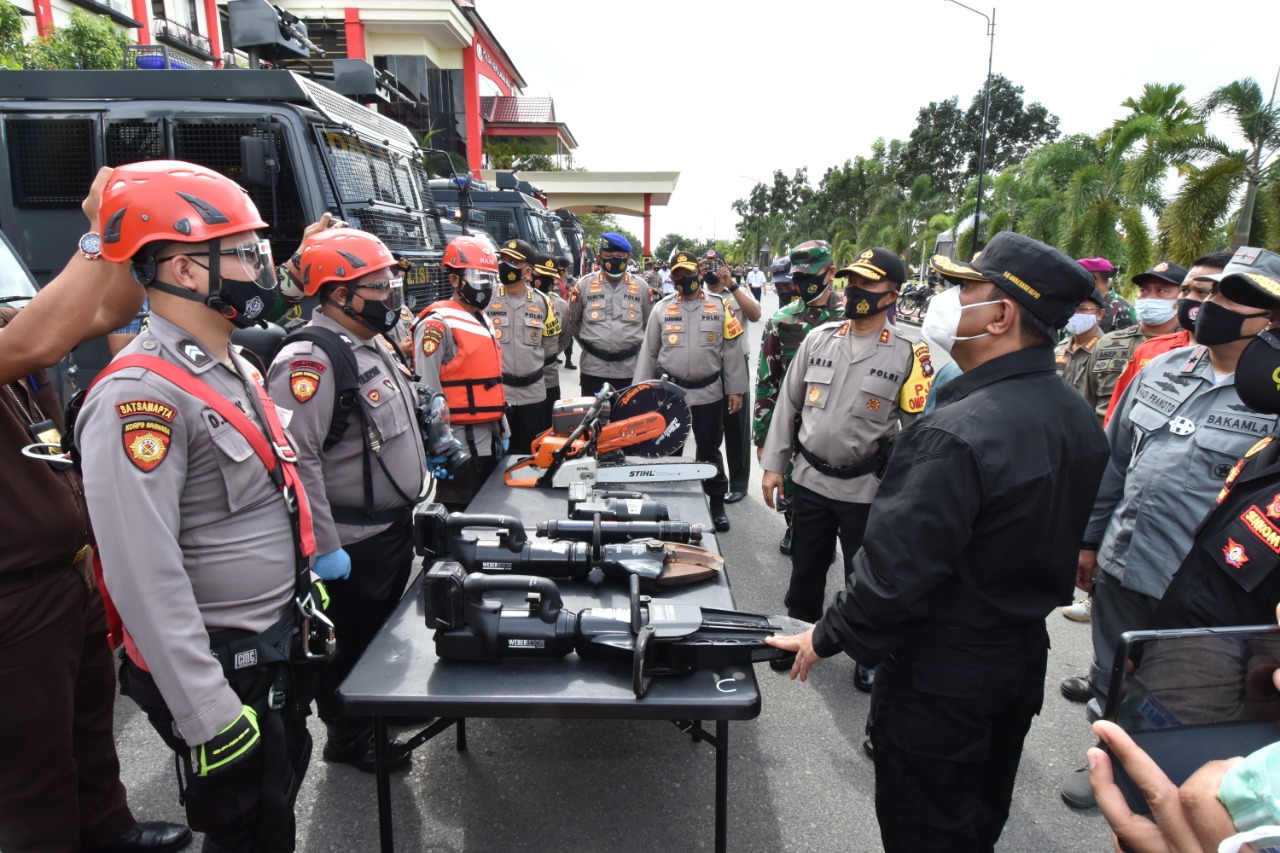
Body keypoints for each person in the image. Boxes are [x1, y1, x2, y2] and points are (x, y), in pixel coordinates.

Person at [767, 232, 1108, 852]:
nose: (949, 302)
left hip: (943, 677)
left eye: (964, 289)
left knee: (924, 827)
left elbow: (894, 575)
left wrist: (823, 636)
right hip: (1017, 658)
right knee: (977, 818)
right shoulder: (1073, 413)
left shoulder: (957, 431)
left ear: (1001, 315)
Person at [79, 160, 322, 852]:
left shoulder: (233, 365)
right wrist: (208, 712)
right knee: (249, 830)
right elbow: (142, 573)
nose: (264, 270)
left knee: (273, 810)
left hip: (269, 649)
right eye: (246, 253)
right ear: (187, 270)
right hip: (223, 669)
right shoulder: (140, 398)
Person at [0, 167, 190, 853]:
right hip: (11, 593)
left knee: (87, 732)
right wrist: (97, 233)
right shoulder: (10, 341)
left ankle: (110, 833)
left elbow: (102, 313)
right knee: (31, 772)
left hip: (60, 574)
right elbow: (35, 344)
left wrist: (128, 237)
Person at [1061, 247, 1280, 810]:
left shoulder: (1273, 400)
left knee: (1182, 697)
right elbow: (1116, 462)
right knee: (1113, 673)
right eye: (1210, 293)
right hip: (1123, 560)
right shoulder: (1161, 366)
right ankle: (1106, 759)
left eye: (1235, 299)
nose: (1210, 305)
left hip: (1202, 592)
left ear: (1272, 322)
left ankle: (1171, 786)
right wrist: (1088, 541)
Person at [266, 228, 427, 773]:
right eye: (377, 285)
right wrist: (323, 547)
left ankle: (374, 708)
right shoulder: (310, 361)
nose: (391, 293)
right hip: (351, 541)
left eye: (389, 281)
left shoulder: (371, 341)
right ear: (337, 294)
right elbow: (299, 461)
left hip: (389, 528)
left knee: (380, 635)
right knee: (349, 644)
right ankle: (349, 734)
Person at [759, 246, 932, 695]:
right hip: (811, 480)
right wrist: (774, 465)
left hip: (868, 488)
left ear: (892, 294)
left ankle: (865, 652)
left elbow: (919, 433)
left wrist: (910, 496)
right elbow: (788, 405)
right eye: (852, 280)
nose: (855, 290)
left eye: (867, 283)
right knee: (806, 567)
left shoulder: (910, 353)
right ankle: (798, 636)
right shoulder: (820, 338)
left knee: (865, 575)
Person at [633, 248, 748, 532]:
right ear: (673, 278)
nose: (685, 279)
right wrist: (640, 393)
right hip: (671, 394)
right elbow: (648, 353)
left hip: (709, 392)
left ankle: (717, 503)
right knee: (669, 449)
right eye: (679, 275)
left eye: (689, 273)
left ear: (699, 272)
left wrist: (735, 389)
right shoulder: (662, 309)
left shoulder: (721, 306)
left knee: (709, 450)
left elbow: (732, 352)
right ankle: (669, 504)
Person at [752, 245, 844, 556]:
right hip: (794, 422)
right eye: (797, 278)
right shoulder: (782, 320)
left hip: (839, 423)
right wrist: (763, 437)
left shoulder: (852, 317)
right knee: (792, 485)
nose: (801, 284)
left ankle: (827, 536)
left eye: (809, 277)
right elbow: (767, 380)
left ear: (830, 273)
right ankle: (795, 525)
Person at [413, 235, 506, 512]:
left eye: (490, 278)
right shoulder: (437, 323)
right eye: (479, 277)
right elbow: (427, 391)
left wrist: (504, 427)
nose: (486, 286)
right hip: (460, 440)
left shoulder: (483, 318)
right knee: (459, 513)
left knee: (489, 510)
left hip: (491, 434)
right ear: (455, 280)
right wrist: (439, 445)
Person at [1102, 252, 1231, 427]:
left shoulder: (1261, 365)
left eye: (1202, 292)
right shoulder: (1150, 352)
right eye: (1185, 290)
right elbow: (1117, 422)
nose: (1189, 299)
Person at [1084, 260, 1188, 420]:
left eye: (1161, 291)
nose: (1149, 297)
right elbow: (1087, 400)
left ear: (1181, 298)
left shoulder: (1190, 346)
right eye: (1144, 290)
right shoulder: (1108, 342)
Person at [488, 238, 561, 455]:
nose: (505, 265)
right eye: (504, 259)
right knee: (499, 453)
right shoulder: (487, 299)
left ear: (528, 271)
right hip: (501, 392)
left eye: (514, 262)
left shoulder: (542, 302)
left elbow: (551, 342)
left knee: (532, 451)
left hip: (534, 393)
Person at [703, 248, 761, 503]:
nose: (711, 270)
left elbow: (756, 314)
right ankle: (713, 482)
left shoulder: (736, 291)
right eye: (706, 265)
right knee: (709, 428)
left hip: (736, 365)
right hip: (707, 367)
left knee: (737, 428)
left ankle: (739, 483)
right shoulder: (697, 292)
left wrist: (733, 285)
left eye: (716, 265)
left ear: (725, 267)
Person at [571, 232, 653, 398]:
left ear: (628, 257)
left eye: (619, 256)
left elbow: (648, 325)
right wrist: (593, 345)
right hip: (593, 368)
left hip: (630, 370)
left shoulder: (642, 288)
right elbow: (573, 323)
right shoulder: (584, 285)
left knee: (627, 422)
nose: (614, 260)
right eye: (609, 256)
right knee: (592, 421)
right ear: (600, 258)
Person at [534, 251, 575, 420]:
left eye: (549, 277)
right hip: (520, 384)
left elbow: (565, 337)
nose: (545, 281)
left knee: (549, 424)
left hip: (549, 376)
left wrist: (549, 354)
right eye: (540, 276)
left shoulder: (560, 305)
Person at [1054, 288, 1106, 397]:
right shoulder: (1059, 349)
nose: (1075, 313)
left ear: (1099, 314)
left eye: (1082, 308)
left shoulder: (1107, 351)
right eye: (1071, 308)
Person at [1079, 257, 1136, 334]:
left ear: (1094, 278)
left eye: (1079, 277)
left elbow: (1128, 341)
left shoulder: (1123, 308)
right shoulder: (1076, 303)